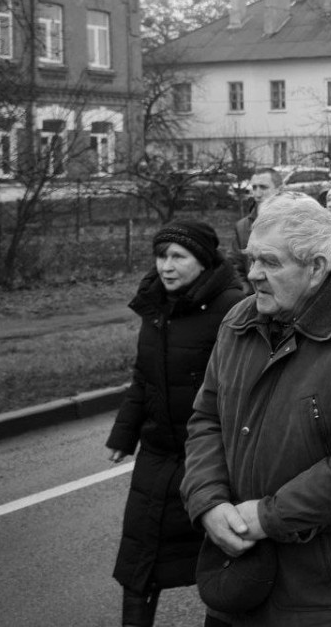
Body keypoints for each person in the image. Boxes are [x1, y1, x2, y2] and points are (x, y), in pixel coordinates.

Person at [182, 194, 331, 627]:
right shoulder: (237, 323)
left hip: (321, 597)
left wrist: (268, 517)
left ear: (317, 268)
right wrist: (207, 502)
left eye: (269, 262)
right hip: (237, 580)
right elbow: (207, 419)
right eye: (250, 259)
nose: (253, 275)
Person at [106, 221, 245, 627]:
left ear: (201, 262)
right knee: (139, 560)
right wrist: (124, 433)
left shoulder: (231, 307)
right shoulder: (155, 304)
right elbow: (144, 374)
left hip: (209, 455)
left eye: (177, 257)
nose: (166, 266)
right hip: (158, 452)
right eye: (161, 256)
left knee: (219, 562)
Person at [230, 168, 281, 284]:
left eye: (263, 187)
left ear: (279, 190)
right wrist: (248, 294)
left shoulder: (293, 222)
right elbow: (234, 266)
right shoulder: (242, 227)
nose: (257, 194)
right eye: (254, 187)